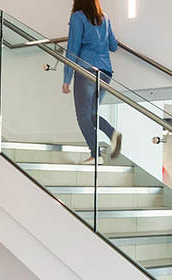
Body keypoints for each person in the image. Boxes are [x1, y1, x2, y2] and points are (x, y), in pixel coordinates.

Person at [61, 0, 121, 164]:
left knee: (82, 116)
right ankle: (112, 133)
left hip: (86, 70)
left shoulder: (78, 17)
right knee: (91, 114)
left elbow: (72, 48)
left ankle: (95, 155)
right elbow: (113, 46)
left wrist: (67, 78)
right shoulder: (104, 18)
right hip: (105, 72)